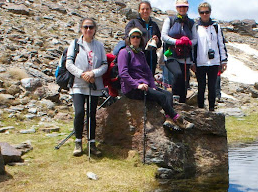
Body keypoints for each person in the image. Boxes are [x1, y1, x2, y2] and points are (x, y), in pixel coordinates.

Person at [118, 28, 193, 130]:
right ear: (129, 39)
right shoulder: (124, 52)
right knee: (161, 96)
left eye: (138, 37)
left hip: (145, 86)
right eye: (133, 37)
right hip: (132, 88)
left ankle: (168, 119)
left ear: (141, 39)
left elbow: (148, 72)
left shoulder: (141, 54)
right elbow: (123, 73)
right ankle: (177, 118)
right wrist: (137, 85)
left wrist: (152, 86)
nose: (135, 39)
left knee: (168, 94)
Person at [66, 17, 108, 157]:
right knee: (79, 113)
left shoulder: (99, 46)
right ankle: (78, 142)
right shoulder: (75, 44)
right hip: (78, 85)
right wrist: (82, 74)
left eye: (91, 27)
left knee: (91, 115)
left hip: (94, 86)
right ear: (81, 29)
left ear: (95, 29)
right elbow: (69, 64)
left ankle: (92, 143)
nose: (88, 30)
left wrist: (93, 73)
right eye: (85, 27)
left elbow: (104, 65)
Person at [162, 0, 198, 103]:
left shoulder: (191, 23)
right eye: (180, 7)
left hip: (185, 57)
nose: (182, 9)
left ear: (187, 8)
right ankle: (173, 98)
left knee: (184, 81)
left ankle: (182, 104)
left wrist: (189, 42)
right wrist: (176, 42)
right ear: (176, 8)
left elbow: (195, 39)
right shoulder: (170, 20)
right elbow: (163, 36)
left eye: (184, 7)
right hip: (171, 55)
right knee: (178, 74)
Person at [192, 2, 227, 112]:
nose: (205, 14)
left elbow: (221, 44)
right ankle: (201, 110)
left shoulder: (216, 27)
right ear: (199, 13)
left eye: (207, 12)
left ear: (210, 12)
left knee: (212, 86)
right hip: (200, 62)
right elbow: (193, 46)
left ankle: (212, 109)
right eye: (202, 12)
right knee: (201, 86)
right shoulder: (196, 27)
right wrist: (193, 62)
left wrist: (224, 60)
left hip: (214, 62)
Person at [124, 0, 162, 75]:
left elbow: (160, 43)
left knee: (149, 78)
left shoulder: (154, 25)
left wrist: (157, 41)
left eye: (147, 9)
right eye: (143, 9)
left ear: (150, 10)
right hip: (136, 55)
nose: (145, 11)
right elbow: (127, 38)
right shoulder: (133, 23)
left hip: (151, 57)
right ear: (139, 11)